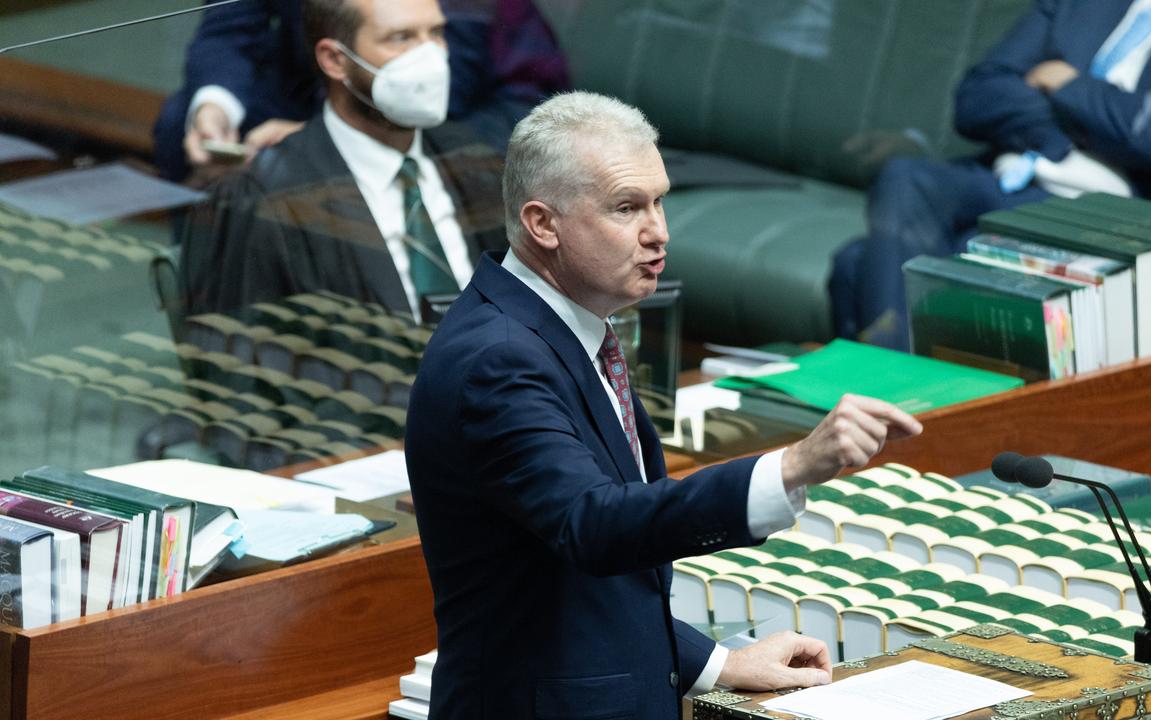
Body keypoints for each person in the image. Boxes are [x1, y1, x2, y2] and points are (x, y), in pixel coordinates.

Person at [405, 91, 924, 718]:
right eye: (627, 208)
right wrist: (791, 466)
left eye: (659, 201)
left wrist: (717, 665)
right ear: (543, 224)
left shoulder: (568, 330)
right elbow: (593, 526)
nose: (659, 232)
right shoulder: (500, 357)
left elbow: (576, 583)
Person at [828, 0, 1151, 351]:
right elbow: (977, 95)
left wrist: (1060, 81)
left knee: (862, 264)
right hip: (1018, 175)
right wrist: (1117, 112)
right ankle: (898, 400)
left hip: (1124, 216)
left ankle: (886, 403)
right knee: (906, 176)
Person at [178, 0, 509, 321]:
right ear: (335, 59)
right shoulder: (262, 202)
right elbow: (245, 362)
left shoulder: (476, 165)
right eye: (401, 38)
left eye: (436, 33)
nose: (430, 57)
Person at [153, 0, 569, 181]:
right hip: (330, 77)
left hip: (473, 97)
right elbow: (228, 25)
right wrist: (216, 108)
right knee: (180, 125)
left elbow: (436, 75)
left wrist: (324, 137)